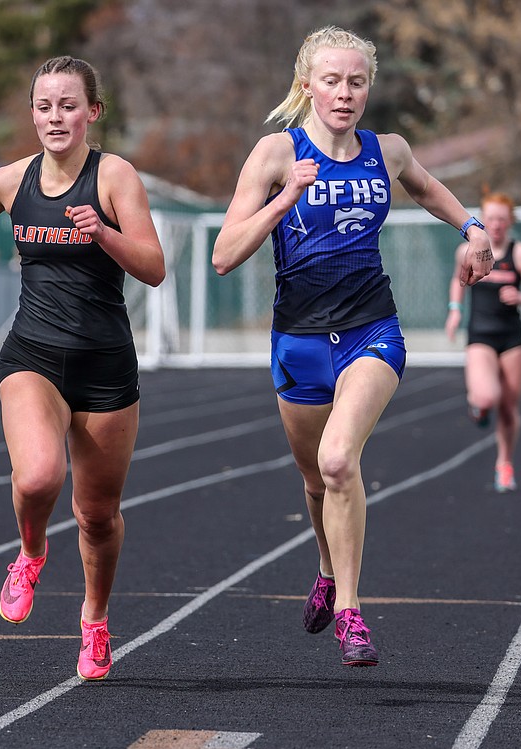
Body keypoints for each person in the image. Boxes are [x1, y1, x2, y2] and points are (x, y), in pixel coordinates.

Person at [210, 26, 493, 667]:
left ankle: (351, 612)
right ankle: (325, 567)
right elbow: (225, 255)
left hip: (371, 329)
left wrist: (472, 227)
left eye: (356, 82)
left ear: (369, 88)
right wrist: (287, 196)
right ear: (307, 83)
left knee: (340, 461)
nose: (344, 93)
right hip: (298, 339)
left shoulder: (385, 150)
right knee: (315, 481)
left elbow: (423, 186)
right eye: (332, 80)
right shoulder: (276, 154)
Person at [0, 55, 164, 681]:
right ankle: (31, 551)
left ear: (93, 111)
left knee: (97, 515)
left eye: (68, 105)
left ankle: (94, 622)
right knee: (39, 477)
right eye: (44, 106)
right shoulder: (12, 181)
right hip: (33, 353)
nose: (55, 117)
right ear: (32, 114)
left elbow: (153, 266)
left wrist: (104, 235)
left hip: (105, 364)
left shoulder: (115, 177)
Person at [445, 191, 521, 493]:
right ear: (483, 219)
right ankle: (478, 403)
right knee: (487, 396)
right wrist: (454, 310)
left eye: (502, 219)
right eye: (491, 219)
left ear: (510, 222)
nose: (497, 224)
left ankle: (504, 463)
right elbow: (457, 280)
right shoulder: (467, 250)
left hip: (512, 337)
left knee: (508, 406)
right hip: (480, 334)